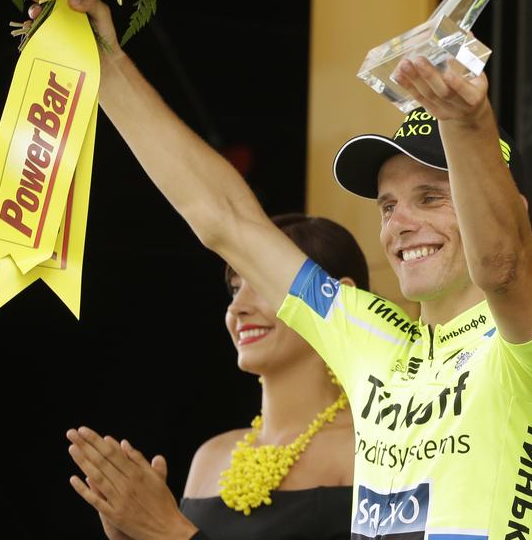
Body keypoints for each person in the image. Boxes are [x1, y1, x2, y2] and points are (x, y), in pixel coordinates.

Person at [24, 0, 532, 539]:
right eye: (388, 205)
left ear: (511, 209)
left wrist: (467, 125)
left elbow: (503, 266)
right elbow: (226, 219)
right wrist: (104, 66)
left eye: (431, 197)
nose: (400, 224)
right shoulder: (370, 336)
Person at [65, 214, 368, 540]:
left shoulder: (370, 452)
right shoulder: (211, 457)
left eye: (263, 282)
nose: (238, 308)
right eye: (236, 288)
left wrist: (168, 530)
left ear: (337, 301)